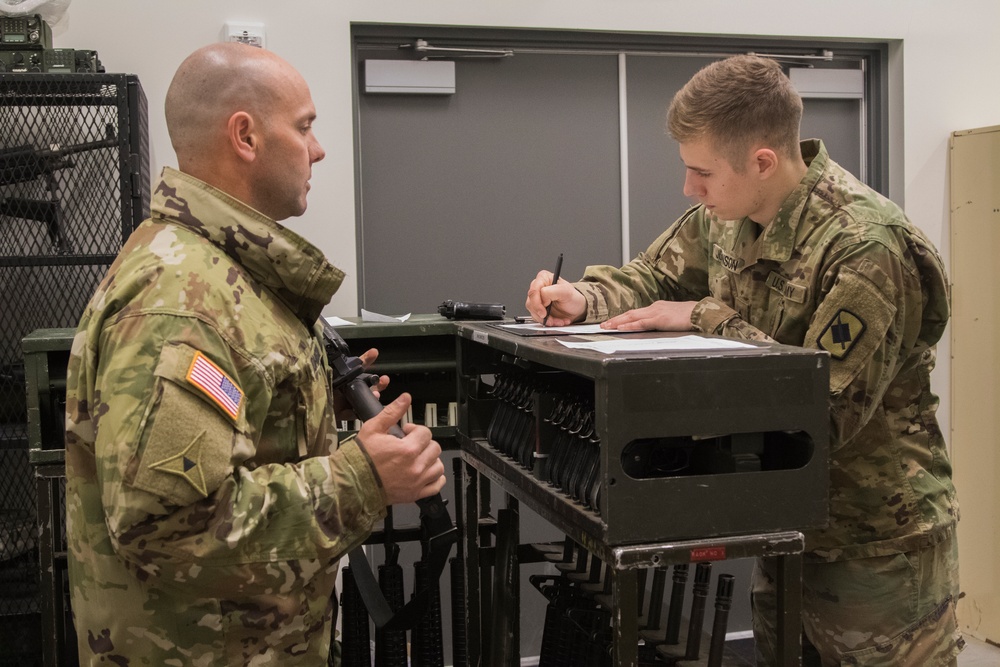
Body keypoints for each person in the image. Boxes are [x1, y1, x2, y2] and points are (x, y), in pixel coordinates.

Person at [525, 54, 961, 666]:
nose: (689, 189)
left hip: (875, 550)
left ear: (762, 161)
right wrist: (585, 299)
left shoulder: (865, 246)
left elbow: (818, 412)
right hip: (783, 525)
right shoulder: (727, 218)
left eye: (701, 172)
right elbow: (655, 275)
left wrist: (706, 317)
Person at [64, 42, 446, 665]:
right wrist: (362, 479)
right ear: (245, 135)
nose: (318, 148)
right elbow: (166, 529)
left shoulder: (218, 274)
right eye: (304, 127)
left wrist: (318, 420)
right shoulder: (185, 299)